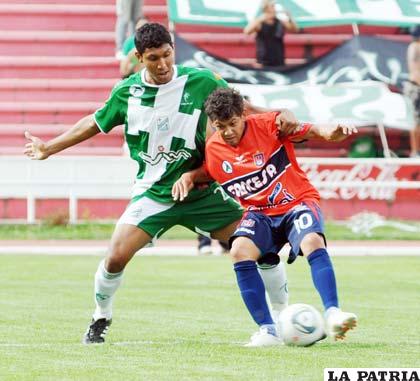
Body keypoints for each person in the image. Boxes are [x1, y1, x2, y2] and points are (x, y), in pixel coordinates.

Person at [24, 23, 295, 347]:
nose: (163, 64)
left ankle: (283, 319)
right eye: (154, 58)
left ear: (173, 50)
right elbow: (93, 123)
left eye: (167, 55)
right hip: (154, 194)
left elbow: (243, 109)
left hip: (203, 190)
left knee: (263, 249)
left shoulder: (202, 81)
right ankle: (101, 315)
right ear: (139, 57)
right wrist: (49, 148)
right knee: (114, 258)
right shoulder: (127, 93)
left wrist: (279, 116)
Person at [172, 88, 358, 343]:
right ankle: (268, 330)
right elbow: (210, 171)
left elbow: (312, 130)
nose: (227, 132)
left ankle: (334, 313)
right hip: (259, 213)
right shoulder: (215, 147)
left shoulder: (270, 125)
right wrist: (190, 176)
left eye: (233, 124)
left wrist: (331, 133)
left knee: (312, 240)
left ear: (243, 116)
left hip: (296, 202)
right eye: (220, 126)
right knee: (239, 250)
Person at [244, 0, 298, 69]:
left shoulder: (280, 22)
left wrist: (289, 16)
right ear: (266, 8)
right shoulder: (260, 22)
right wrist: (261, 18)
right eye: (272, 6)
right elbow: (247, 31)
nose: (275, 8)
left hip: (279, 61)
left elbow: (295, 30)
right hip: (263, 62)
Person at [403, 25, 420, 157]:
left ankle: (415, 151)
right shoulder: (416, 47)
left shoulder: (413, 47)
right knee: (415, 122)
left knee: (415, 121)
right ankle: (415, 152)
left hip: (413, 86)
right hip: (416, 87)